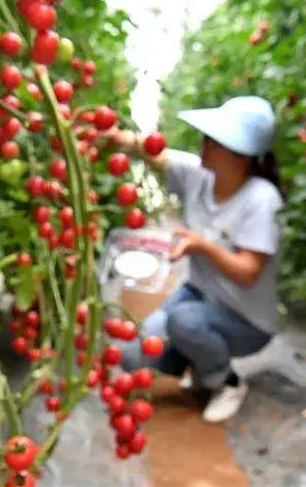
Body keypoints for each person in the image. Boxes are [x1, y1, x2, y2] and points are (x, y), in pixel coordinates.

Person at [109, 96, 283, 423]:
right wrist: (108, 135)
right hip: (198, 296)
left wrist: (203, 246)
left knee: (185, 321)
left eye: (213, 141)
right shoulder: (198, 174)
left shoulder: (262, 199)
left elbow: (248, 272)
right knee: (134, 355)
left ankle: (226, 381)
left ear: (239, 156)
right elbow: (150, 150)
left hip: (245, 320)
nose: (203, 144)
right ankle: (196, 360)